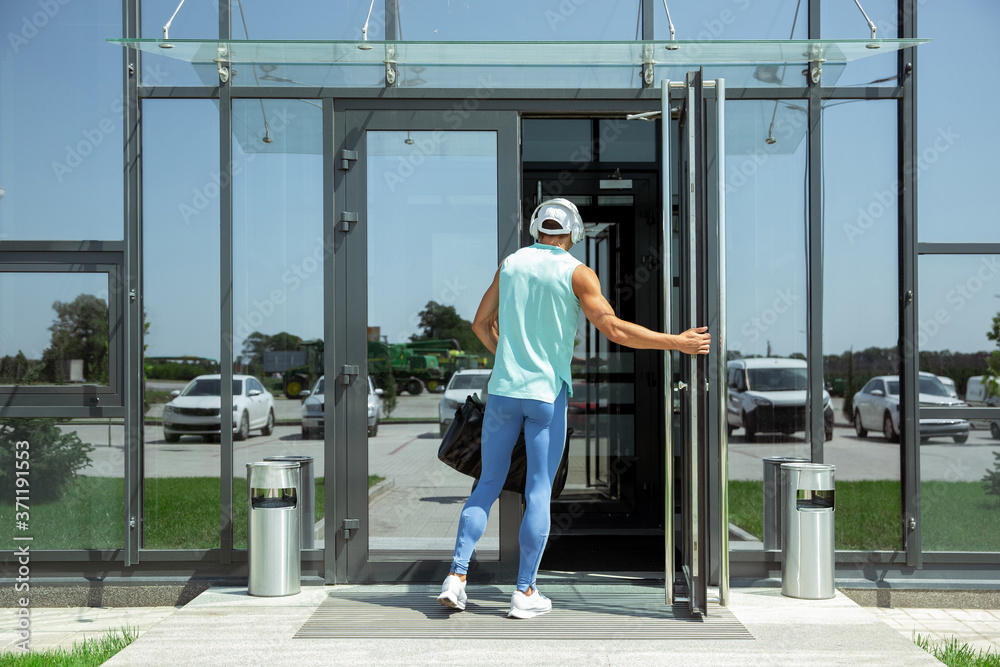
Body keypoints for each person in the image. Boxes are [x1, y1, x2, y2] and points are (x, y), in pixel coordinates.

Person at [437, 198, 711, 619]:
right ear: (574, 232)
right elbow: (614, 328)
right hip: (546, 396)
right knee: (538, 490)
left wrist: (507, 355)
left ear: (536, 228)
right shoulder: (577, 273)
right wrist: (679, 342)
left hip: (504, 392)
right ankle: (524, 592)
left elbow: (479, 324)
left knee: (487, 483)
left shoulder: (510, 265)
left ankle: (456, 579)